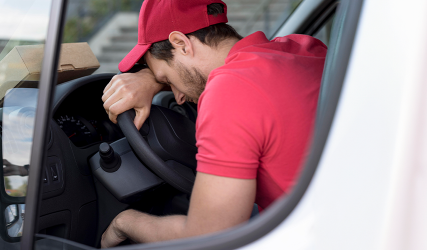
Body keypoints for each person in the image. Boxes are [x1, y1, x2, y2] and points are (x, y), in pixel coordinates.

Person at [100, 0, 327, 247]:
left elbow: (208, 237)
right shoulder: (304, 47)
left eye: (166, 79)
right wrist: (153, 79)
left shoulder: (229, 92)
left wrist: (124, 223)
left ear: (181, 43)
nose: (178, 97)